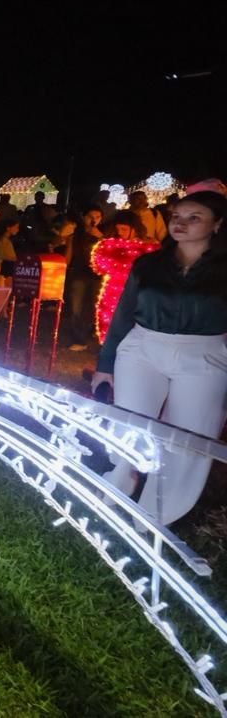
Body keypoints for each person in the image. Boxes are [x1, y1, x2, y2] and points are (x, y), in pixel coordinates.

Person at [91, 191, 227, 525]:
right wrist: (105, 363)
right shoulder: (149, 264)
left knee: (189, 437)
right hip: (143, 348)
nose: (180, 223)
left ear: (218, 224)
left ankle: (156, 515)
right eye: (176, 215)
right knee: (130, 421)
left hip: (205, 354)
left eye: (194, 217)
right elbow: (124, 314)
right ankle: (120, 481)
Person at [64, 207, 104, 350]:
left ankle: (86, 335)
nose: (94, 220)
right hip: (79, 274)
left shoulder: (104, 236)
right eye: (90, 216)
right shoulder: (75, 236)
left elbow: (111, 253)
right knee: (76, 307)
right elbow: (68, 257)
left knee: (91, 308)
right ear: (84, 217)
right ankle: (78, 338)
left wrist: (100, 238)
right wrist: (63, 270)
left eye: (98, 216)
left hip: (97, 276)